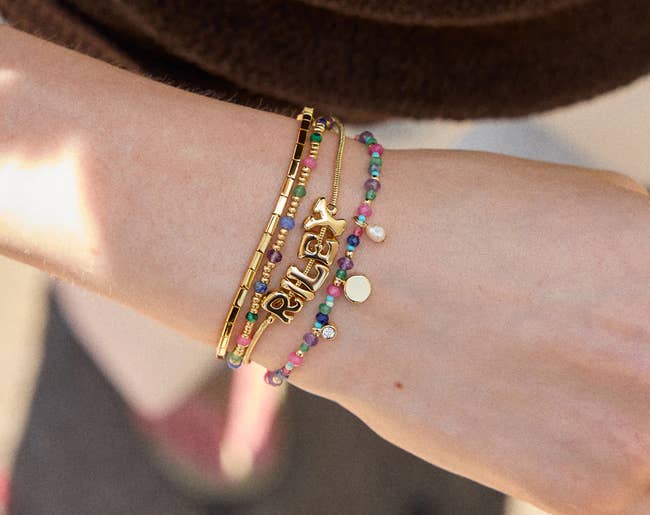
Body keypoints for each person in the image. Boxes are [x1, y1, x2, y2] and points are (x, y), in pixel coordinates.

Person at [0, 2, 649, 513]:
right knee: (151, 308)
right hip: (163, 57)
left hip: (601, 49)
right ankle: (187, 312)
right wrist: (340, 262)